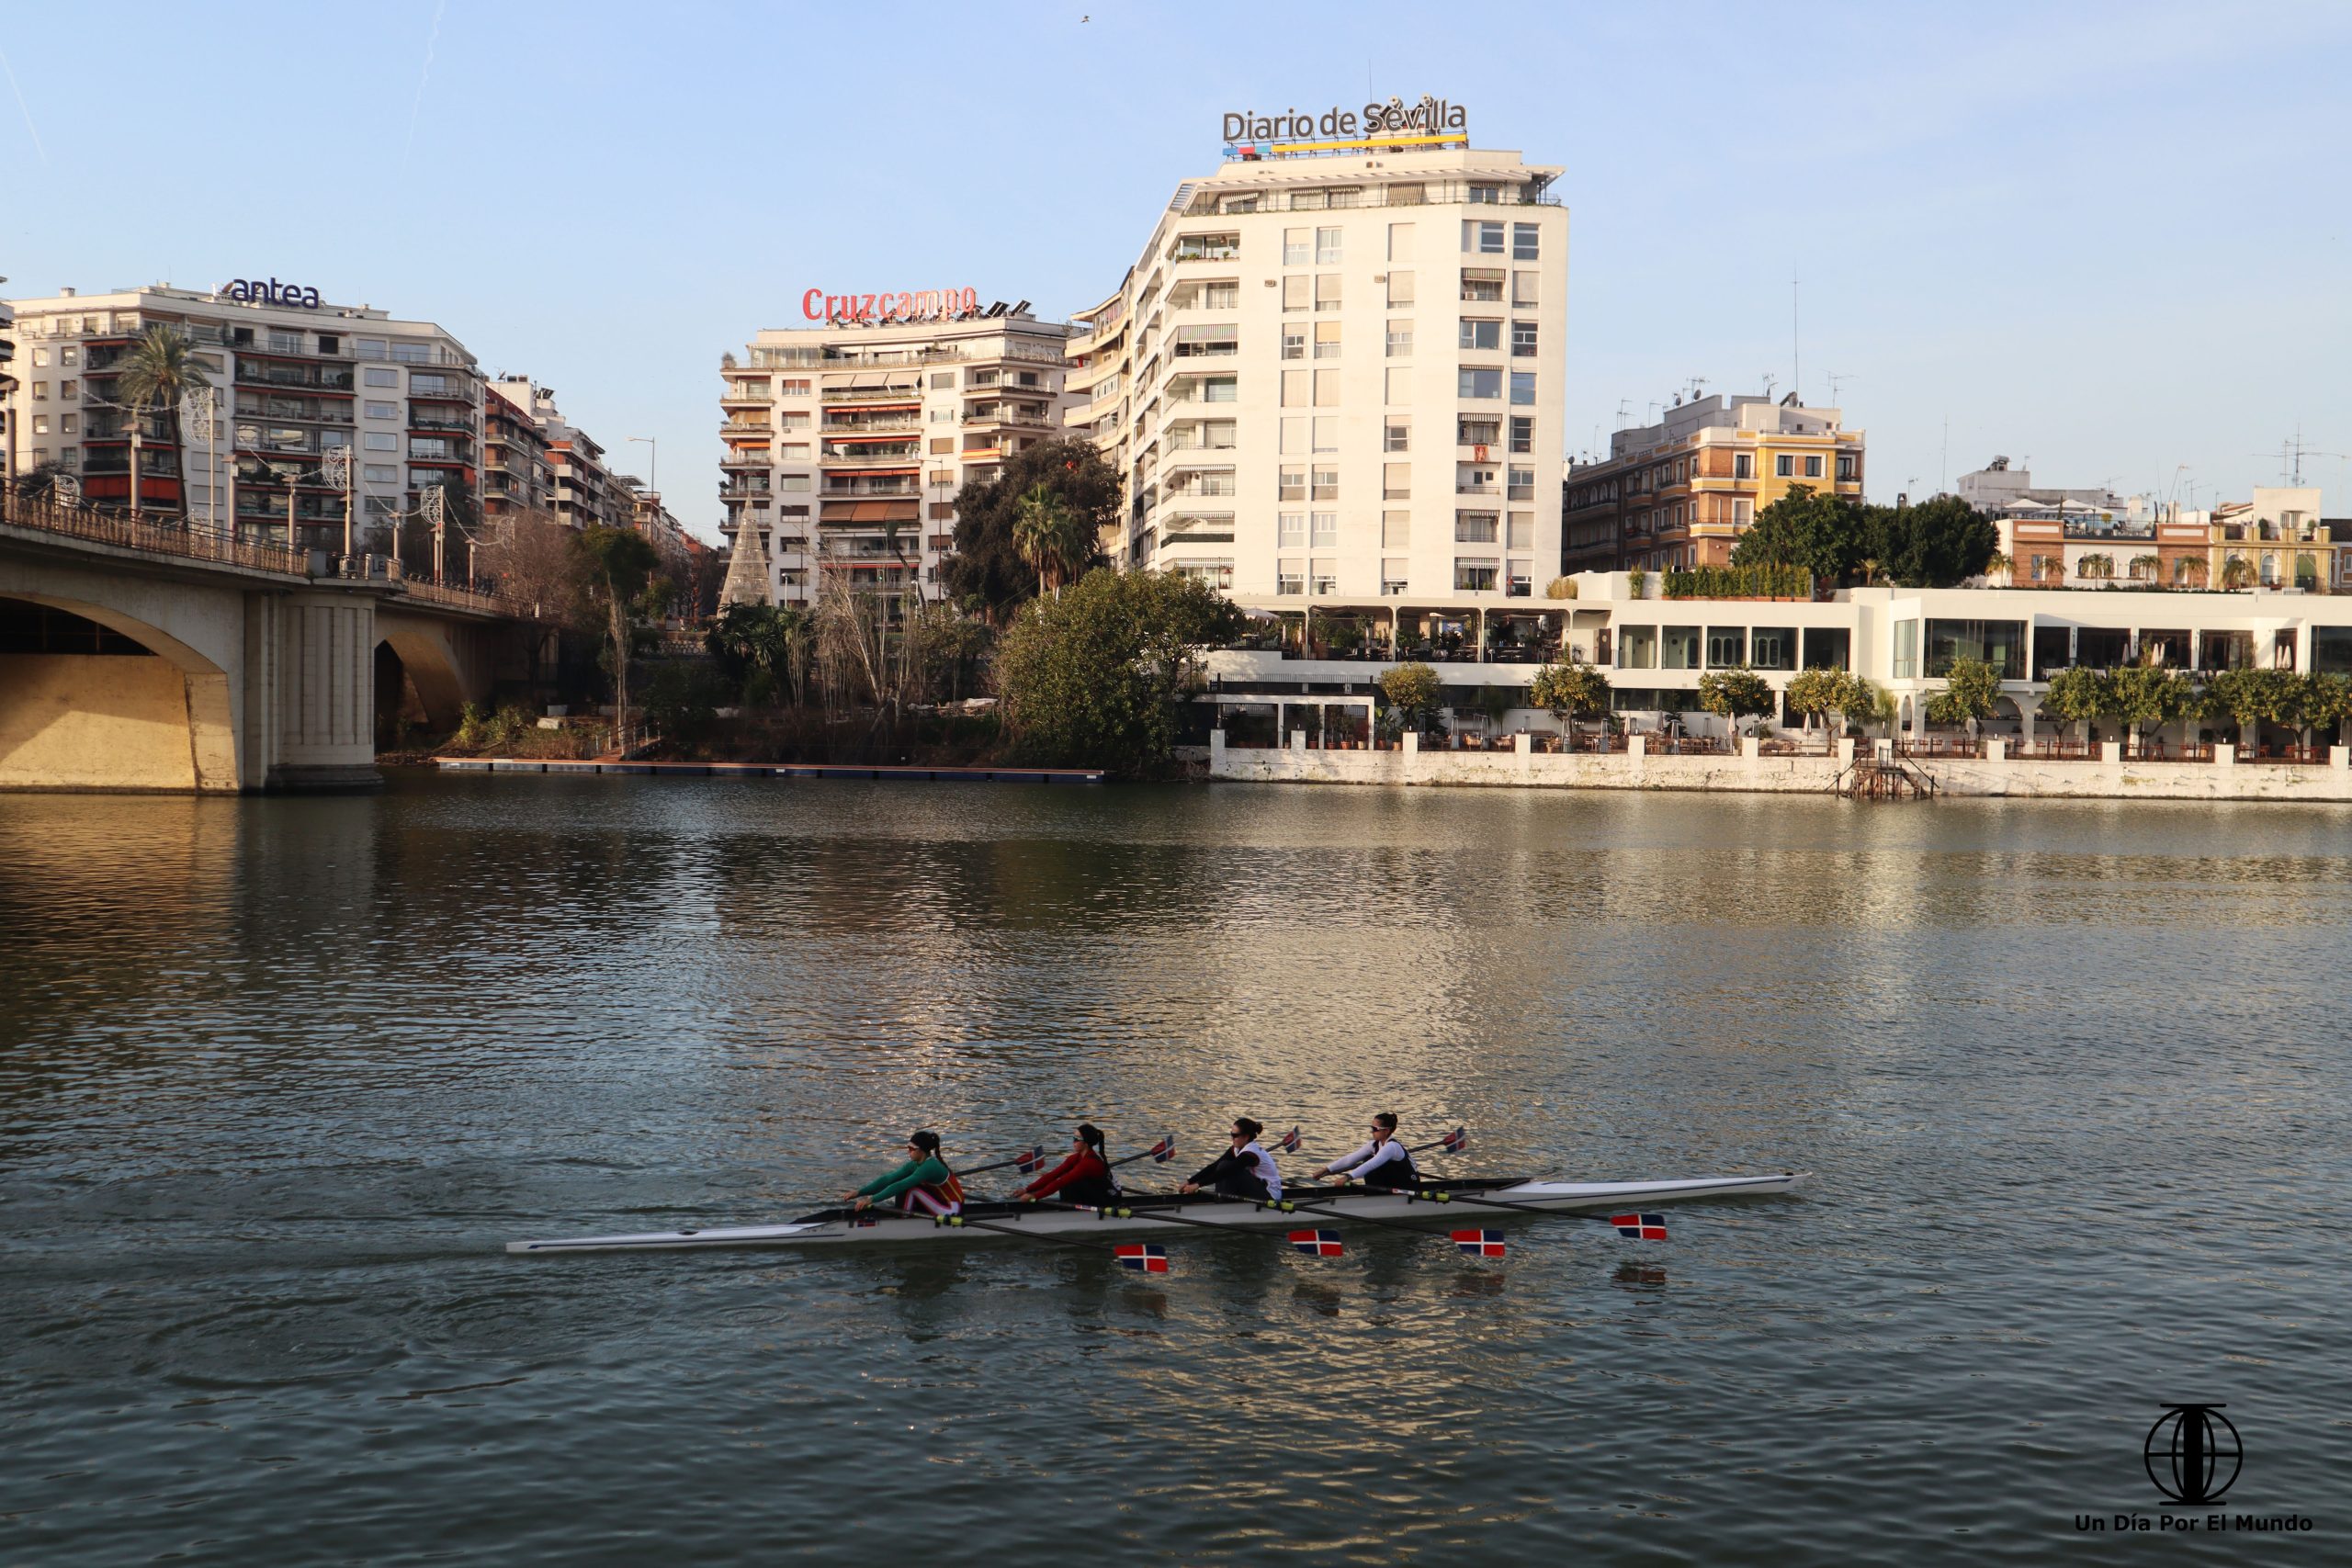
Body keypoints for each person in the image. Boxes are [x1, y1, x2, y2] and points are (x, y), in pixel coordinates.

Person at [843, 1130, 965, 1216]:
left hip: (952, 1209)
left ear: (921, 1150)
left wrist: (871, 1200)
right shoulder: (915, 1164)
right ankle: (905, 1212)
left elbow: (900, 1185)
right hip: (939, 1202)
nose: (908, 1151)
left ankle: (903, 1218)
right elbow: (889, 1179)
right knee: (900, 1182)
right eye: (908, 1148)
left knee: (910, 1188)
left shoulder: (929, 1166)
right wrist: (859, 1192)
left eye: (912, 1149)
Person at [1010, 1123, 1118, 1207]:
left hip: (1107, 1200)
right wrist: (1027, 1190)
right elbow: (1053, 1175)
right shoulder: (1075, 1158)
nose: (1073, 1142)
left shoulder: (1089, 1163)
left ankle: (1068, 1213)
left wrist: (1034, 1196)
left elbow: (1061, 1181)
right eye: (1073, 1138)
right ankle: (1067, 1208)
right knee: (1066, 1177)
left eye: (1077, 1139)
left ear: (1086, 1142)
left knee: (1068, 1181)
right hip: (1092, 1195)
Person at [1180, 1117, 1283, 1202]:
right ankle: (1222, 1201)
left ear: (1246, 1137)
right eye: (1231, 1134)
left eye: (1235, 1135)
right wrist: (1189, 1181)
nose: (1232, 1138)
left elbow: (1225, 1172)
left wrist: (1198, 1185)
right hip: (1257, 1187)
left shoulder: (1250, 1154)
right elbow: (1213, 1166)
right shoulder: (1237, 1149)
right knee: (1221, 1165)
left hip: (1270, 1196)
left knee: (1226, 1167)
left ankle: (1222, 1205)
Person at [1307, 1113, 1419, 1190]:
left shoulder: (1392, 1147)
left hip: (1408, 1185)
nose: (1372, 1132)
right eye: (1372, 1128)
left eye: (1375, 1129)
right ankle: (1374, 1195)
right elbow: (1349, 1159)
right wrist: (1326, 1170)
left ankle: (1375, 1198)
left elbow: (1372, 1164)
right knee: (1367, 1159)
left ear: (1386, 1131)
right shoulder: (1373, 1145)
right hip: (1394, 1182)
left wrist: (1347, 1177)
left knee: (1368, 1160)